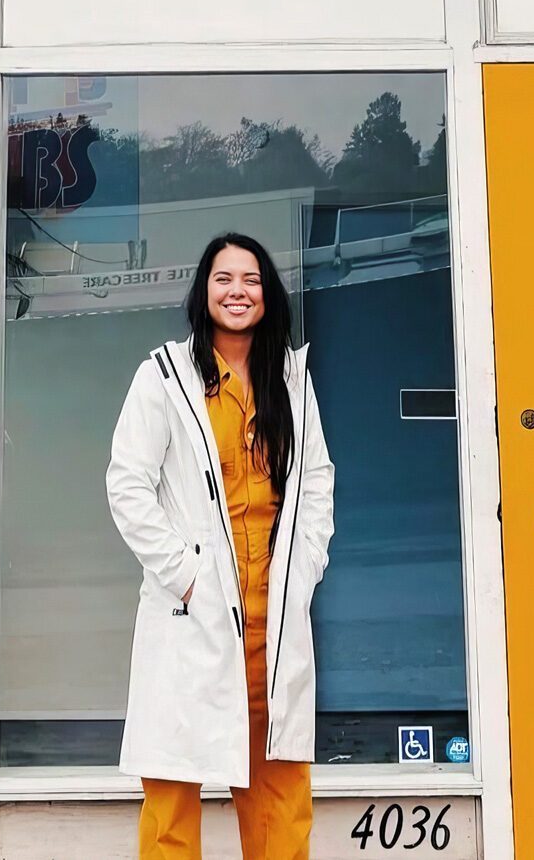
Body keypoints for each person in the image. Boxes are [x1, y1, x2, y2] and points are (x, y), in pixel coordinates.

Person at [107, 233, 335, 859]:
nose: (238, 291)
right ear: (203, 290)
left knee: (280, 785)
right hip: (195, 610)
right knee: (173, 788)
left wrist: (305, 567)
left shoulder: (289, 378)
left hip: (272, 613)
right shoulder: (164, 376)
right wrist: (184, 575)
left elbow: (317, 480)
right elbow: (127, 485)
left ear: (268, 294)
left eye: (251, 280)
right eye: (224, 278)